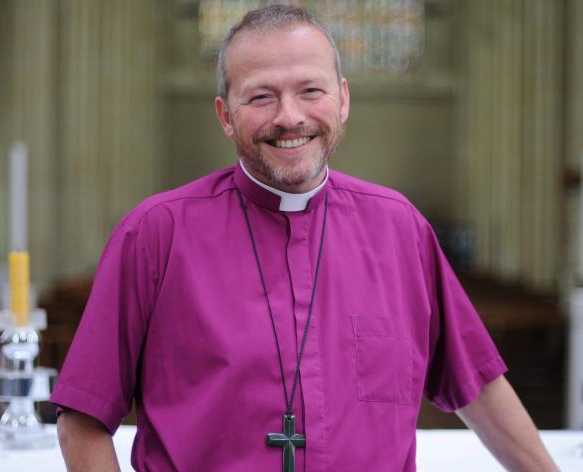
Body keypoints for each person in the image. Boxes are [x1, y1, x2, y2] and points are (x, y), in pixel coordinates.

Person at [52, 5, 557, 472]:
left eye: (310, 91)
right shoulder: (155, 234)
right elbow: (82, 419)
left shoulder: (400, 228)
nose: (289, 116)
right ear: (226, 115)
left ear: (342, 101)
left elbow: (478, 385)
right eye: (261, 96)